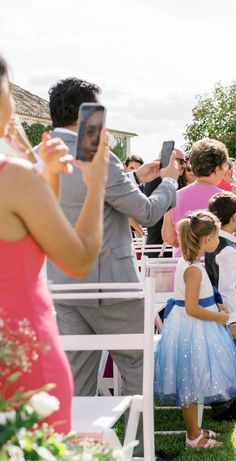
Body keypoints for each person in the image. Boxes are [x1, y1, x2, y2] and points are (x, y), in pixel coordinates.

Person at [44, 77, 179, 402]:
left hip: (63, 285)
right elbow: (146, 213)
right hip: (112, 286)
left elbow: (81, 193)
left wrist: (134, 177)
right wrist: (169, 182)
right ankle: (142, 449)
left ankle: (79, 448)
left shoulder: (39, 156)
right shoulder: (99, 156)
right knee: (137, 364)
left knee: (78, 376)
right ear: (85, 114)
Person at [0, 55, 110, 433]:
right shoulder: (12, 178)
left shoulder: (19, 177)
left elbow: (23, 235)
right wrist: (96, 182)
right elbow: (77, 259)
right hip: (21, 352)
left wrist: (44, 173)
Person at [154, 210, 236, 449]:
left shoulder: (192, 262)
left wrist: (217, 305)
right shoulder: (192, 269)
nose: (218, 240)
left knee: (194, 380)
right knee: (190, 384)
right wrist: (219, 317)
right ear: (207, 240)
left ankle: (196, 429)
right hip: (193, 328)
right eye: (216, 236)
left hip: (195, 326)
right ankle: (193, 437)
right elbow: (192, 308)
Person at [162, 138, 236, 251]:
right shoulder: (229, 199)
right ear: (218, 168)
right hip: (219, 264)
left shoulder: (173, 197)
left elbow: (168, 237)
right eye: (226, 164)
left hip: (185, 263)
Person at [205, 192, 236, 380]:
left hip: (220, 308)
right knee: (227, 350)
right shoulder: (226, 250)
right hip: (227, 310)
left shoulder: (219, 242)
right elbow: (227, 289)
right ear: (234, 217)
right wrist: (232, 320)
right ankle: (225, 397)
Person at [143, 148, 188, 255]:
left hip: (160, 247)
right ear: (167, 160)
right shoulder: (161, 181)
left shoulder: (163, 180)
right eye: (181, 161)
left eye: (185, 162)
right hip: (160, 249)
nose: (184, 165)